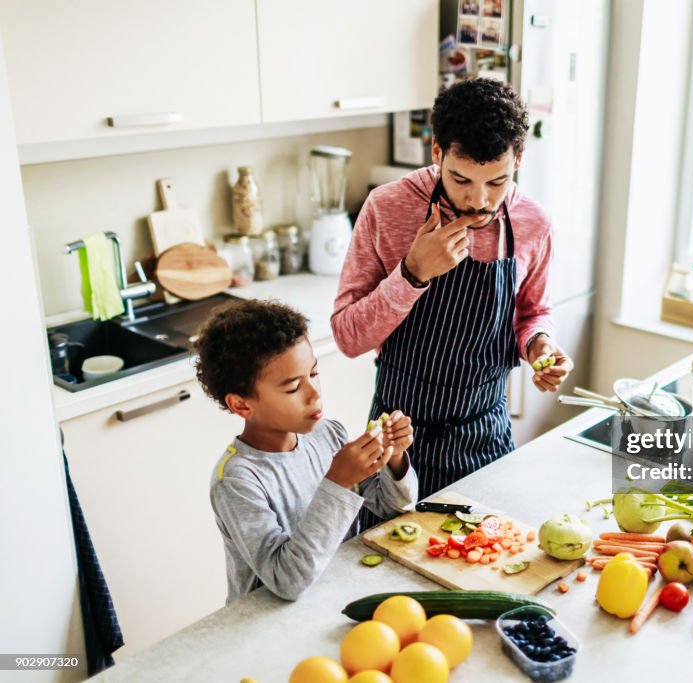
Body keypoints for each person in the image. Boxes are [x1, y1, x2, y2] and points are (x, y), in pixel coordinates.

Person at [332, 78, 573, 499]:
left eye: (496, 182)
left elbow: (533, 312)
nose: (478, 200)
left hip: (485, 435)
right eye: (461, 180)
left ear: (519, 159)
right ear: (437, 152)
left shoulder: (534, 223)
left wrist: (540, 345)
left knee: (487, 557)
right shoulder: (388, 208)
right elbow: (348, 338)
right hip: (396, 441)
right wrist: (412, 274)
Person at [194, 300, 417, 603]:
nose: (315, 394)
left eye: (313, 374)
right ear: (242, 404)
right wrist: (337, 482)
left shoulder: (329, 435)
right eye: (293, 387)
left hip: (335, 599)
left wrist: (394, 459)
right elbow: (287, 580)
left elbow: (393, 510)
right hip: (265, 627)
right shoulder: (237, 481)